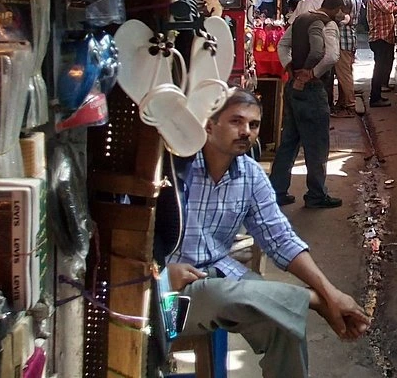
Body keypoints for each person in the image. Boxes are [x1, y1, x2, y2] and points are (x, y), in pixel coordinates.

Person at [157, 90, 370, 377]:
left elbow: (280, 239)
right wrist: (162, 273)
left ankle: (317, 299)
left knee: (284, 323)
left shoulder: (250, 174)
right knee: (219, 293)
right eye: (236, 121)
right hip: (168, 300)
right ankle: (310, 300)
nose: (246, 131)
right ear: (209, 124)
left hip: (222, 281)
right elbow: (131, 236)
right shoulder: (175, 167)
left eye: (254, 125)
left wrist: (329, 290)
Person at [271, 0, 344, 208]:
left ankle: (276, 191)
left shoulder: (301, 18)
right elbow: (331, 56)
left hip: (293, 87)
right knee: (317, 144)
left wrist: (290, 66)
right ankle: (316, 195)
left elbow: (282, 45)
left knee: (289, 141)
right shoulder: (328, 24)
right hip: (312, 89)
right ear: (337, 9)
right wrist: (311, 73)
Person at [366, 0, 396, 108]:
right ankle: (375, 98)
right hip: (380, 37)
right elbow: (388, 9)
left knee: (381, 67)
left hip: (383, 37)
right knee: (378, 68)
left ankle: (377, 95)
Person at [331, 0, 359, 117]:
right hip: (349, 39)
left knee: (344, 75)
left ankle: (350, 106)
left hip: (343, 40)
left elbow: (344, 18)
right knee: (345, 73)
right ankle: (342, 103)